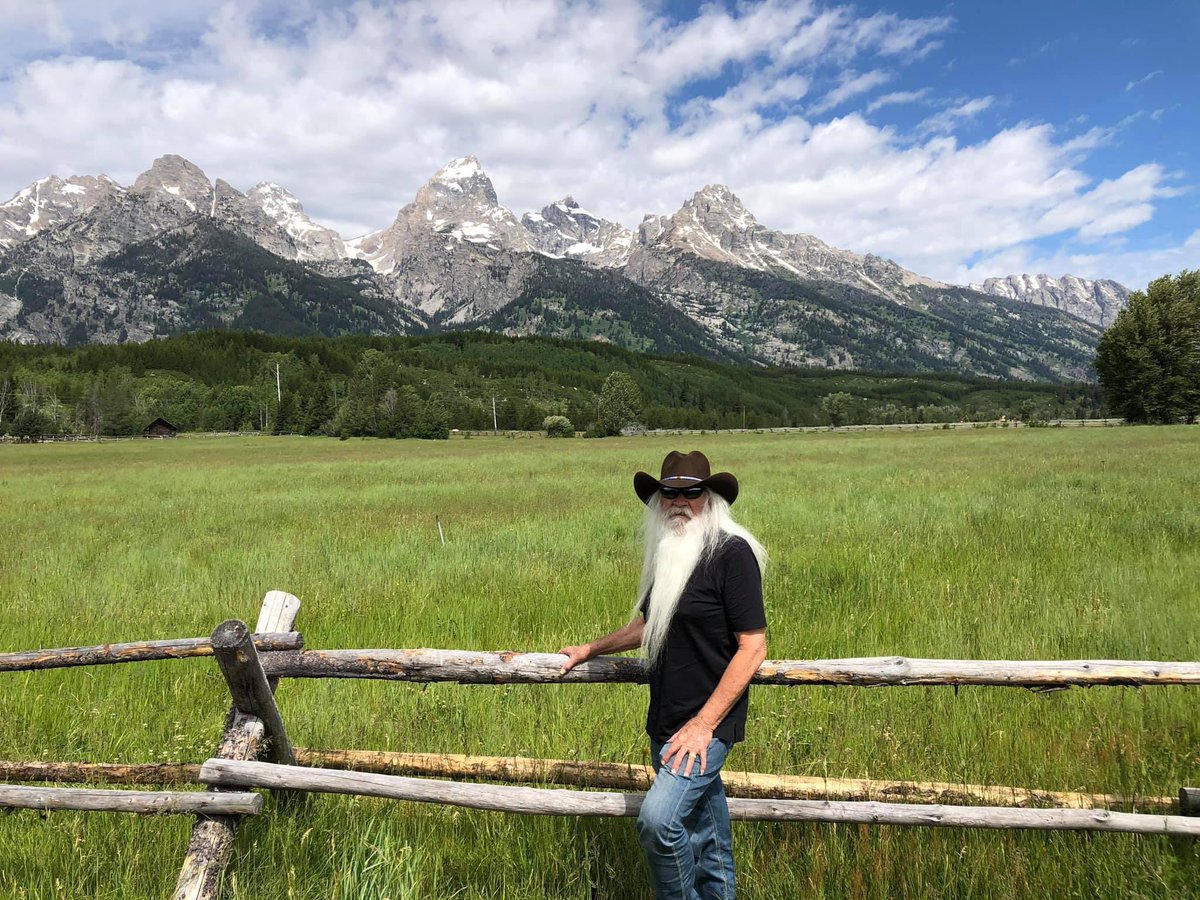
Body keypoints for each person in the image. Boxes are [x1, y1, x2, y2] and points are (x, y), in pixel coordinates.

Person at [559, 450, 767, 900]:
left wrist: (703, 726)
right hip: (667, 718)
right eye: (669, 492)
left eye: (690, 492)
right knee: (706, 837)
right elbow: (648, 625)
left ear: (709, 498)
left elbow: (753, 647)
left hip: (705, 725)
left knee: (659, 822)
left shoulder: (733, 554)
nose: (679, 501)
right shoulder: (673, 552)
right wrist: (592, 648)